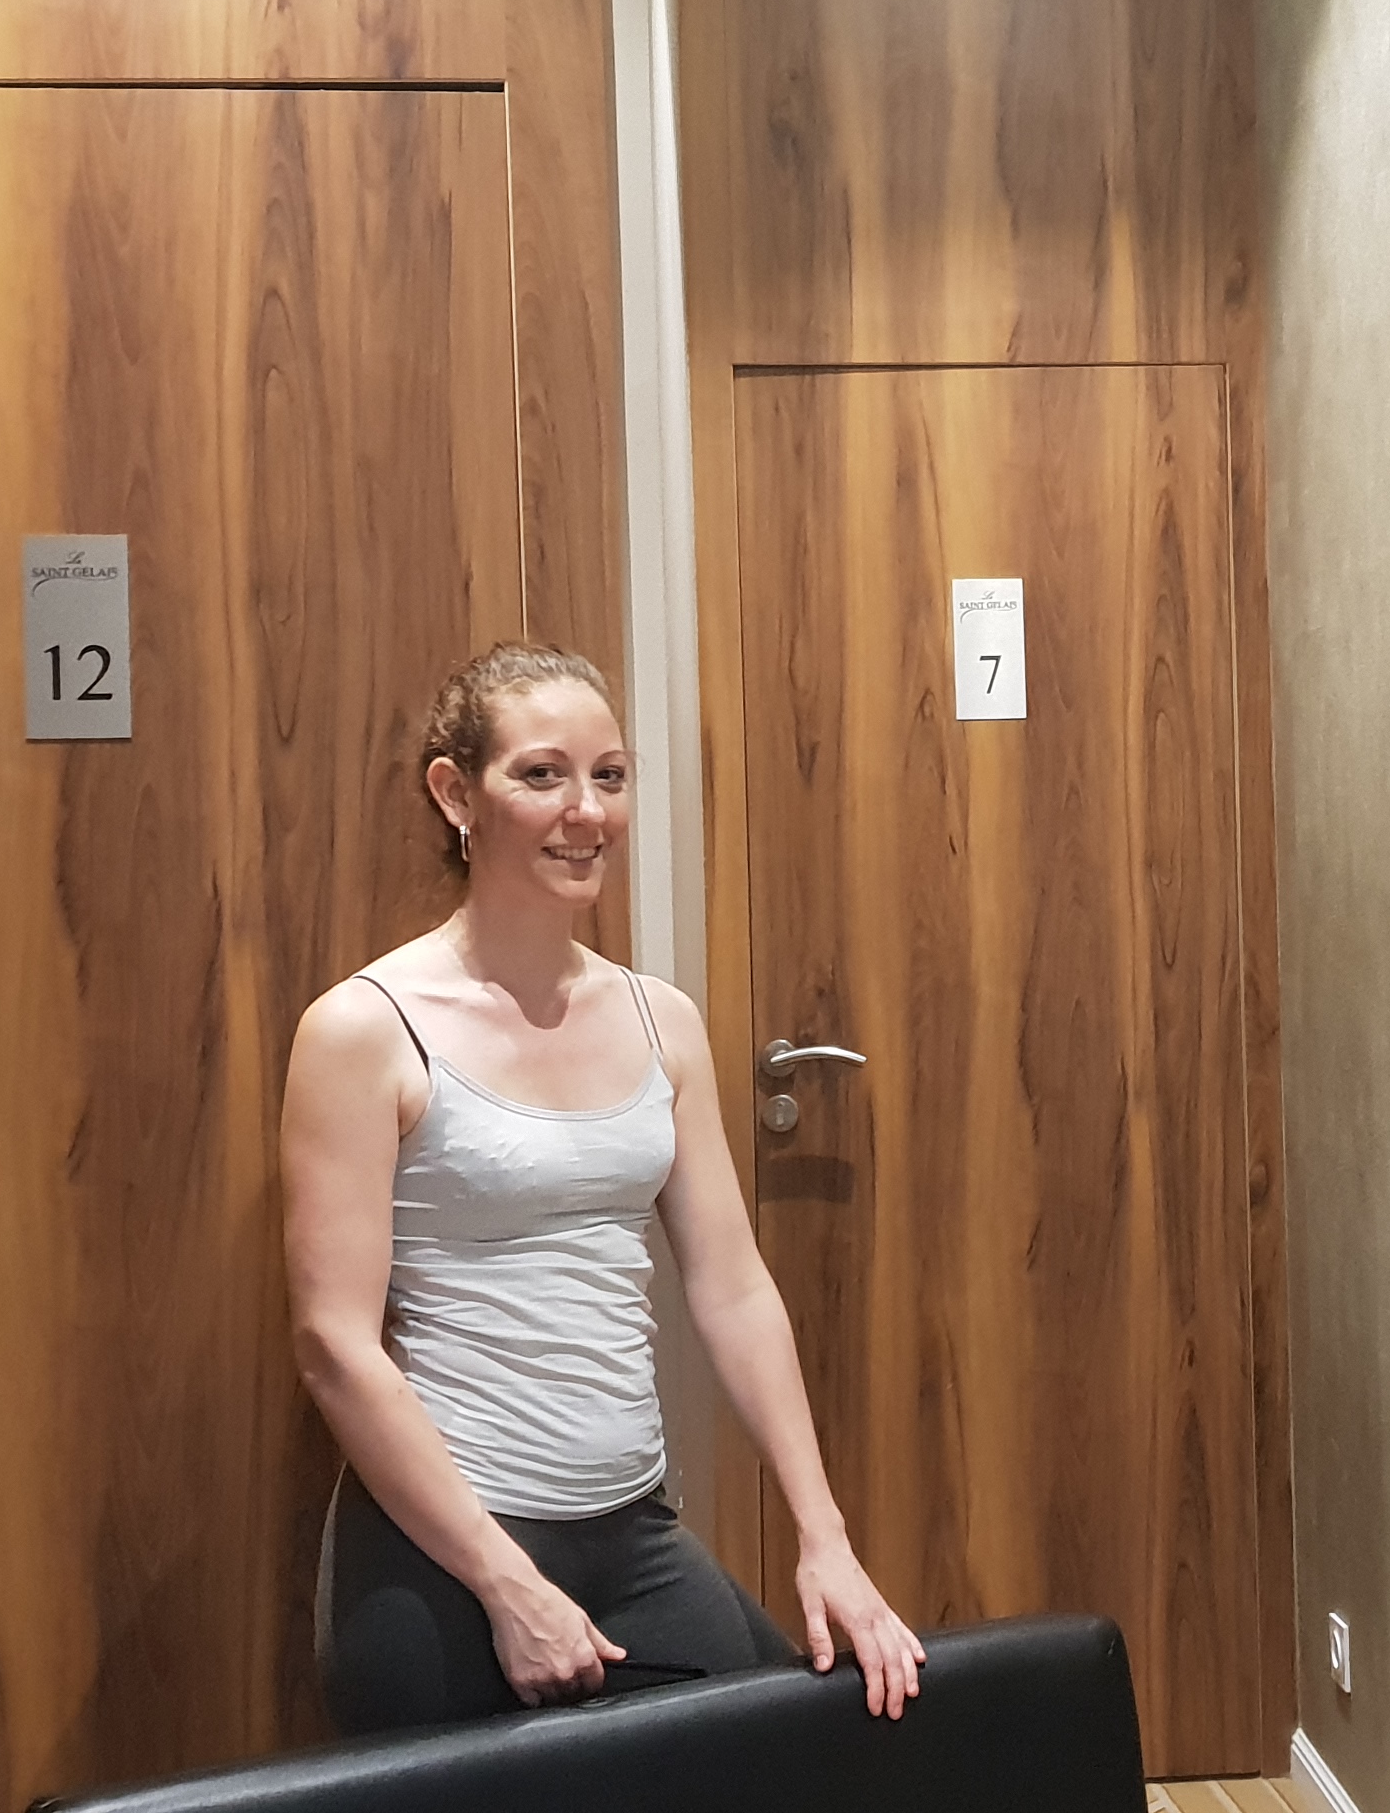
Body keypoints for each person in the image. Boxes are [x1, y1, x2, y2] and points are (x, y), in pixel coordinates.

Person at [281, 641, 924, 1732]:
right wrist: (508, 1585)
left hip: (632, 1533)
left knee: (798, 1768)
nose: (586, 812)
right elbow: (334, 1345)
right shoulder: (364, 1028)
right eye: (542, 775)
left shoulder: (659, 1019)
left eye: (610, 776)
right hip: (442, 1549)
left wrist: (826, 1538)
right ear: (456, 795)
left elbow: (732, 1288)